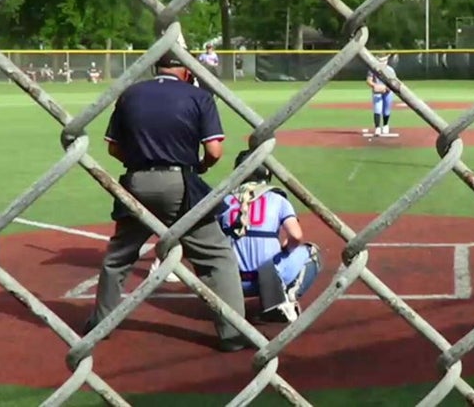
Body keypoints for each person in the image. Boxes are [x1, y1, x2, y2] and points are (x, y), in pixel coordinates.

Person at [84, 49, 250, 352]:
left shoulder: (130, 94)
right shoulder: (198, 96)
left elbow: (113, 149)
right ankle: (233, 333)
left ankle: (101, 324)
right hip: (179, 183)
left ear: (155, 68)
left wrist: (138, 162)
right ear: (186, 71)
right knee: (216, 257)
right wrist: (201, 167)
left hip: (134, 184)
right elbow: (214, 151)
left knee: (118, 257)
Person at [218, 149, 322, 323]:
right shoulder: (278, 199)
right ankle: (288, 297)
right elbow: (296, 235)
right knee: (311, 251)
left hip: (231, 281)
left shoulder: (224, 201)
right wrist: (287, 248)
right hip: (268, 279)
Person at [365, 55, 395, 135]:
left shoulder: (390, 70)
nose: (383, 62)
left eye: (384, 60)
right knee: (377, 109)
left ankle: (385, 125)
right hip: (377, 91)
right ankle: (377, 128)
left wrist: (387, 88)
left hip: (387, 91)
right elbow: (369, 80)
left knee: (386, 109)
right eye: (381, 61)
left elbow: (394, 82)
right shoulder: (373, 69)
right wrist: (375, 85)